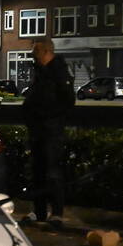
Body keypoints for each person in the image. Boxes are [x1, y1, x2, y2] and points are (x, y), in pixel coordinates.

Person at [21, 36, 74, 228]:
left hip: (51, 132)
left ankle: (56, 213)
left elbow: (68, 102)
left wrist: (49, 118)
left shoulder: (59, 73)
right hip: (37, 131)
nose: (33, 56)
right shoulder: (40, 73)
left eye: (36, 52)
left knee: (53, 172)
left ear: (46, 52)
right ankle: (39, 211)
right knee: (37, 172)